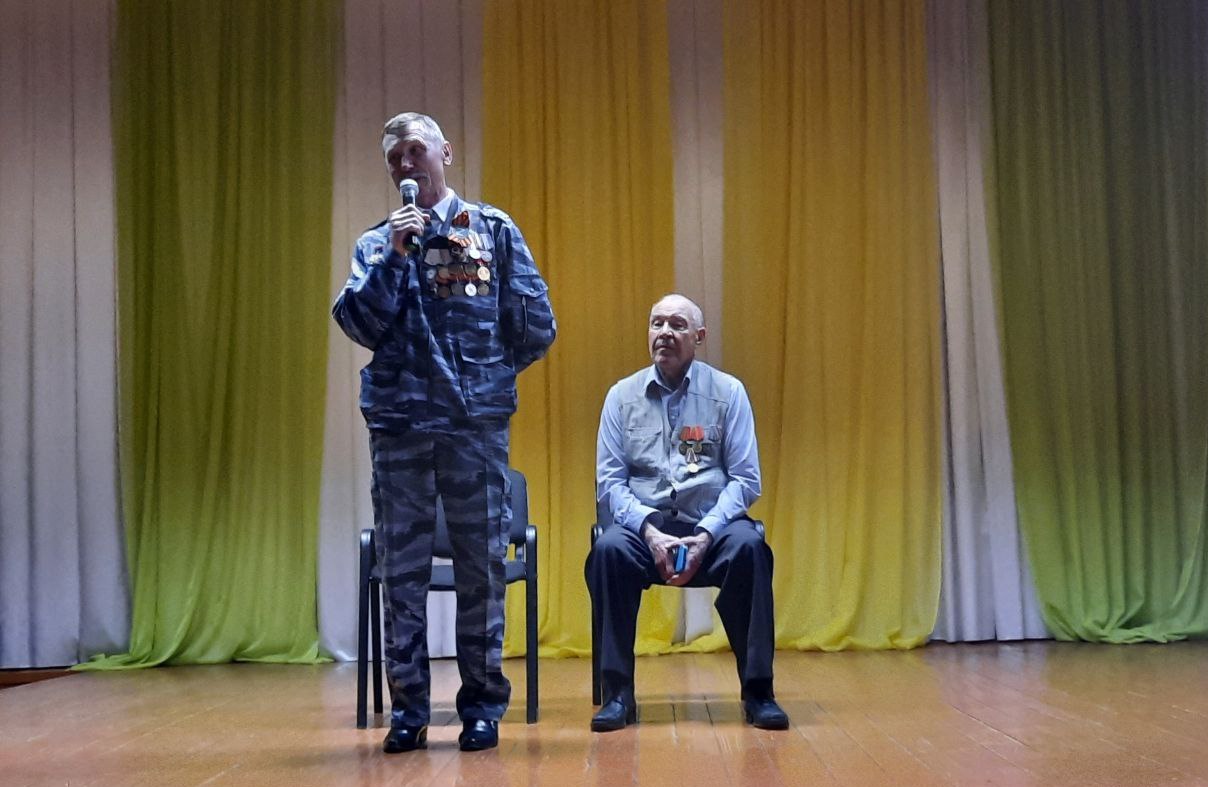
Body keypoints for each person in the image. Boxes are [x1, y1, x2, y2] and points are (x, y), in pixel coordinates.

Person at [332, 112, 555, 753]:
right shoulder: (377, 244)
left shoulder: (492, 230)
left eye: (415, 151)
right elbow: (360, 324)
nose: (405, 165)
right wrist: (396, 258)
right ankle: (409, 712)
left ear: (445, 154)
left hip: (473, 431)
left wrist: (482, 377)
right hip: (400, 429)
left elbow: (537, 324)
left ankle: (482, 707)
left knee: (481, 571)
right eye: (394, 158)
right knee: (401, 575)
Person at [585, 294, 788, 732]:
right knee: (608, 550)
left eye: (677, 325)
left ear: (699, 336)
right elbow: (610, 484)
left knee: (750, 548)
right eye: (656, 323)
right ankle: (617, 694)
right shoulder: (621, 397)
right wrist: (650, 531)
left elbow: (746, 479)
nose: (665, 333)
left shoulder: (728, 392)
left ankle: (759, 693)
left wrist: (707, 533)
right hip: (645, 527)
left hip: (711, 525)